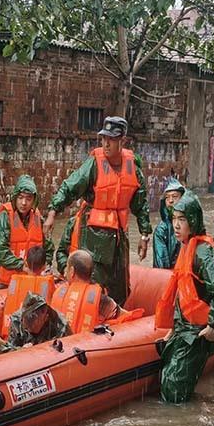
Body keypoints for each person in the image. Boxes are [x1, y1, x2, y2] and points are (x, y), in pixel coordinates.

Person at [43, 116, 152, 305]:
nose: (106, 144)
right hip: (93, 237)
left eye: (111, 139)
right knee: (93, 284)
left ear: (122, 141)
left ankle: (115, 322)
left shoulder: (133, 167)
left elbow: (141, 204)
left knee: (120, 286)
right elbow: (70, 187)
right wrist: (53, 212)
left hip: (118, 237)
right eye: (103, 139)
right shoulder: (93, 164)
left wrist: (144, 235)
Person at [155, 193, 214, 404]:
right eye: (174, 219)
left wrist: (213, 325)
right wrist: (173, 328)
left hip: (197, 333)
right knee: (169, 382)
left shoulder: (202, 252)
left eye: (182, 220)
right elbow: (184, 294)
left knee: (174, 388)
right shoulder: (187, 247)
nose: (176, 225)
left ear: (193, 221)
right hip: (184, 329)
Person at [0, 175, 55, 290]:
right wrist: (22, 266)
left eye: (28, 199)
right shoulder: (4, 218)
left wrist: (43, 267)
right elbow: (1, 252)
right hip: (1, 281)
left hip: (29, 277)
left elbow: (49, 248)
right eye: (20, 197)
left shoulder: (38, 219)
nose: (24, 203)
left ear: (34, 201)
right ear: (15, 198)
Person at [51, 249, 122, 333]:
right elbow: (121, 315)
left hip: (59, 343)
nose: (65, 273)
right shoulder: (102, 300)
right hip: (88, 343)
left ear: (72, 271)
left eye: (67, 267)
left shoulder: (58, 291)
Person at [1, 245, 56, 337]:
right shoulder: (47, 283)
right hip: (32, 339)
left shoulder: (14, 281)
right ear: (44, 266)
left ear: (25, 263)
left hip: (10, 335)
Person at [6, 292, 71, 349]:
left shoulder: (61, 326)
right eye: (26, 321)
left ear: (45, 317)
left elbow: (67, 352)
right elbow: (9, 349)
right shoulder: (16, 321)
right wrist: (21, 350)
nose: (28, 328)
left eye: (32, 322)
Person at [153, 179, 185, 269]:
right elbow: (161, 265)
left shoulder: (192, 224)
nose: (170, 201)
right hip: (170, 276)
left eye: (174, 196)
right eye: (167, 197)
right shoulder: (161, 230)